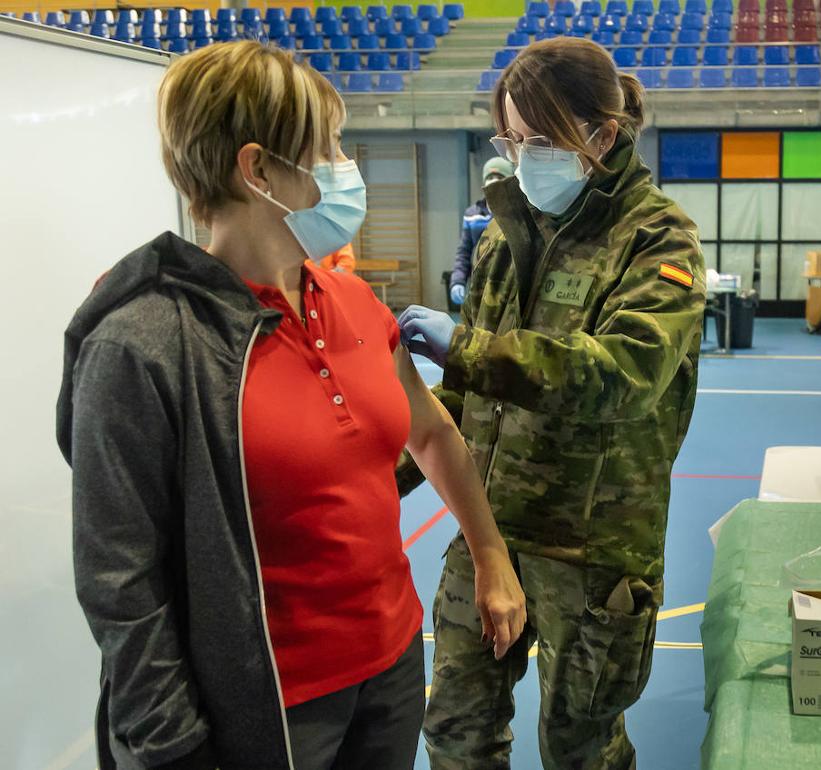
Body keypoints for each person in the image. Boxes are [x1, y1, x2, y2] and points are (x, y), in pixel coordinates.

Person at [55, 42, 525, 770]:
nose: (346, 166)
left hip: (390, 669)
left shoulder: (355, 301)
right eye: (328, 147)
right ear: (259, 170)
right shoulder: (144, 344)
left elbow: (432, 433)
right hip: (265, 704)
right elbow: (120, 581)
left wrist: (491, 554)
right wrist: (170, 746)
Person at [398, 37, 705, 770]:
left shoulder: (658, 241)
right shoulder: (506, 238)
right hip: (489, 534)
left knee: (580, 750)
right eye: (510, 139)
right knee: (455, 733)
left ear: (602, 134)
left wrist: (467, 348)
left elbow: (624, 372)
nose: (522, 157)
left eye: (540, 141)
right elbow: (466, 397)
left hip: (592, 553)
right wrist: (378, 476)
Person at [449, 156, 515, 306]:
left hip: (509, 285)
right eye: (490, 177)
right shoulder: (472, 215)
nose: (493, 181)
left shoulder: (516, 213)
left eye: (499, 177)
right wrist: (457, 281)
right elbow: (464, 252)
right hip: (479, 285)